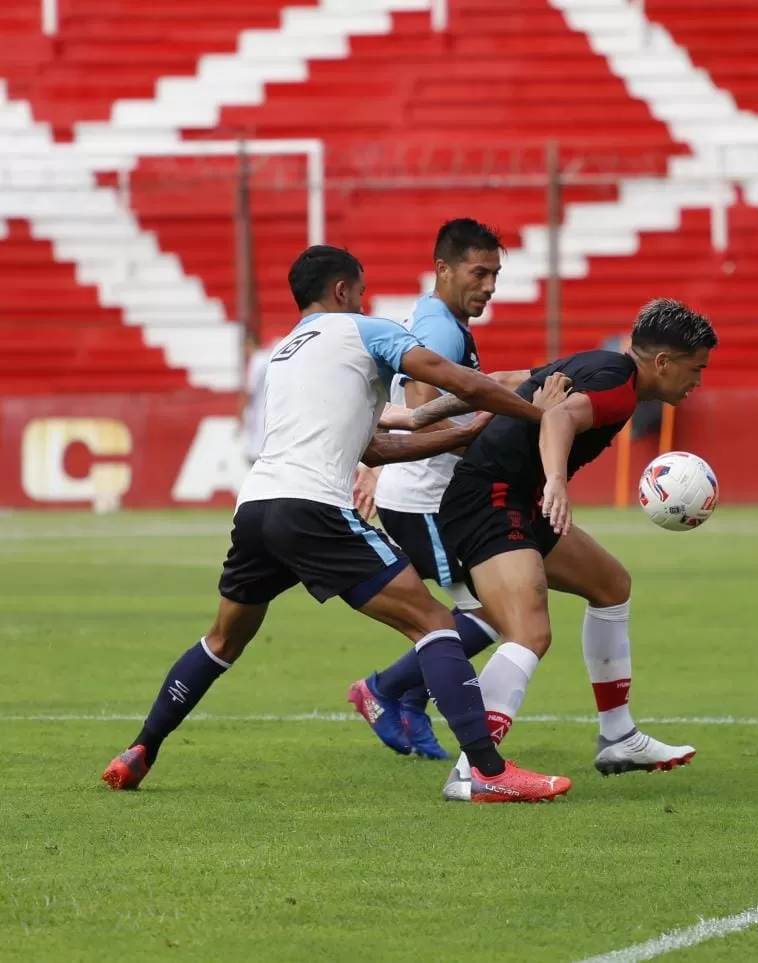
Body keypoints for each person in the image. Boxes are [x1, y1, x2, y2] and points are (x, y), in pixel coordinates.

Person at [100, 244, 573, 804]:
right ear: (344, 291)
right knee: (437, 625)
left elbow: (372, 449)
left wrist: (464, 437)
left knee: (223, 639)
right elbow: (459, 382)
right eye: (362, 291)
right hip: (314, 509)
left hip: (256, 509)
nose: (366, 300)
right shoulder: (364, 331)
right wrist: (540, 412)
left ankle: (140, 750)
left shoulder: (284, 355)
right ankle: (489, 773)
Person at [362, 299, 718, 799]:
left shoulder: (599, 366)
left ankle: (618, 736)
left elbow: (505, 382)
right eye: (695, 368)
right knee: (527, 631)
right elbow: (557, 421)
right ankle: (474, 771)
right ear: (662, 363)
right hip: (491, 496)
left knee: (611, 585)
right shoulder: (616, 387)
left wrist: (420, 418)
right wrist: (556, 482)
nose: (698, 380)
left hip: (515, 495)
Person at [348, 219, 531, 760]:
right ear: (444, 269)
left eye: (496, 273)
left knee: (495, 611)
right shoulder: (441, 329)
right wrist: (492, 445)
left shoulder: (440, 319)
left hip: (429, 494)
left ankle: (402, 697)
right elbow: (426, 414)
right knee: (494, 614)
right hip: (428, 500)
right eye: (480, 272)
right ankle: (386, 690)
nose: (490, 286)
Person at [239, 333, 282, 466]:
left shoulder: (256, 360)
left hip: (259, 414)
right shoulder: (267, 357)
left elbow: (249, 390)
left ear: (249, 345)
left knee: (256, 454)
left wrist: (239, 411)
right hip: (272, 412)